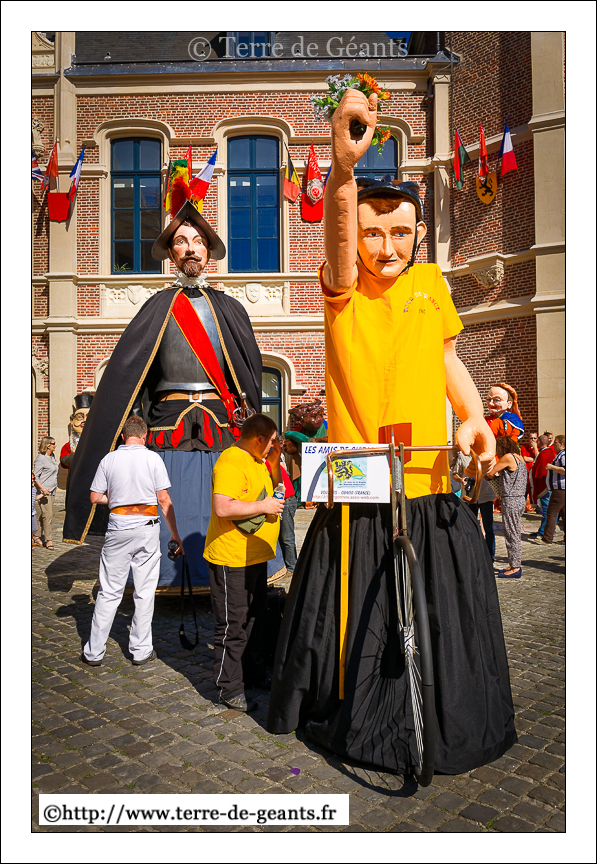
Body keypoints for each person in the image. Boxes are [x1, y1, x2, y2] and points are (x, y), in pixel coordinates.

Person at [268, 86, 516, 776]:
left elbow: (447, 359)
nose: (386, 246)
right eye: (374, 233)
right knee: (357, 608)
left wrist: (473, 415)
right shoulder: (343, 285)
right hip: (360, 483)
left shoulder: (430, 283)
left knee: (442, 608)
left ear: (418, 234)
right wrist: (343, 172)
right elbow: (338, 236)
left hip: (427, 477)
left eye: (400, 233)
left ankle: (441, 710)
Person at [63, 198, 262, 590]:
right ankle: (165, 576)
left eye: (198, 242)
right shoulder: (155, 308)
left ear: (208, 252)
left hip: (221, 424)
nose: (191, 249)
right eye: (181, 242)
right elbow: (130, 376)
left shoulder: (230, 309)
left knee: (222, 499)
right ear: (172, 254)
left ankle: (225, 573)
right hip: (167, 424)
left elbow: (246, 373)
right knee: (170, 501)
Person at [81, 415, 183, 666]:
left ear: (123, 436)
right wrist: (175, 534)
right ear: (145, 436)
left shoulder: (109, 459)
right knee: (145, 592)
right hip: (146, 527)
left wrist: (118, 498)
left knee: (109, 591)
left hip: (118, 526)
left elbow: (95, 497)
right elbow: (164, 499)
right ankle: (140, 650)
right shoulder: (153, 458)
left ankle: (94, 652)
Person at [204, 413, 283, 712]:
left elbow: (268, 490)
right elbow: (223, 507)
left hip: (254, 556)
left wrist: (274, 462)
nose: (274, 445)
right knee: (232, 624)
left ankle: (252, 672)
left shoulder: (258, 460)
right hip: (231, 558)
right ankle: (229, 688)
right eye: (272, 441)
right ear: (259, 438)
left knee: (254, 618)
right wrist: (264, 505)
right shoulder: (232, 462)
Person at [487, 437, 527, 578]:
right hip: (519, 499)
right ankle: (513, 563)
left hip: (511, 499)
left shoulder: (508, 457)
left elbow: (491, 473)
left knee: (512, 534)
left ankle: (515, 567)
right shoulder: (520, 458)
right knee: (513, 532)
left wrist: (492, 478)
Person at [453, 451, 496, 561]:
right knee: (469, 527)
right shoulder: (463, 456)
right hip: (469, 497)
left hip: (486, 495)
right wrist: (461, 480)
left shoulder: (489, 454)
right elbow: (454, 474)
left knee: (488, 527)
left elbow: (495, 474)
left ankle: (490, 556)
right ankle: (472, 554)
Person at [534, 434, 565, 546]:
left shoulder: (563, 455)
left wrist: (552, 467)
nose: (554, 444)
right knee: (564, 514)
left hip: (560, 488)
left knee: (551, 513)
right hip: (559, 488)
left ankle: (547, 538)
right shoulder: (559, 454)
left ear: (561, 444)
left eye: (555, 442)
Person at [33, 437, 59, 550]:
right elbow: (35, 477)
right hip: (44, 492)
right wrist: (43, 489)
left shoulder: (52, 456)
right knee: (48, 515)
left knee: (45, 514)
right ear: (47, 445)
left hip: (52, 490)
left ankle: (35, 536)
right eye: (53, 443)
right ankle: (49, 540)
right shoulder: (41, 459)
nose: (55, 445)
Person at [529, 433, 556, 537]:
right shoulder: (551, 453)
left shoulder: (544, 454)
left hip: (545, 486)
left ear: (539, 442)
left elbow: (540, 471)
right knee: (551, 510)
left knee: (547, 510)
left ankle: (544, 532)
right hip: (551, 485)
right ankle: (550, 530)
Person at [60, 393, 93, 470]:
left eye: (89, 417)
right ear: (72, 420)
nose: (85, 420)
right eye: (80, 417)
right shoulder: (67, 447)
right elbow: (64, 464)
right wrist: (74, 454)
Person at [32, 473, 44, 547]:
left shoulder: (33, 488)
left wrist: (43, 494)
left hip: (32, 512)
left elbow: (35, 498)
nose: (32, 480)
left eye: (33, 479)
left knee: (34, 528)